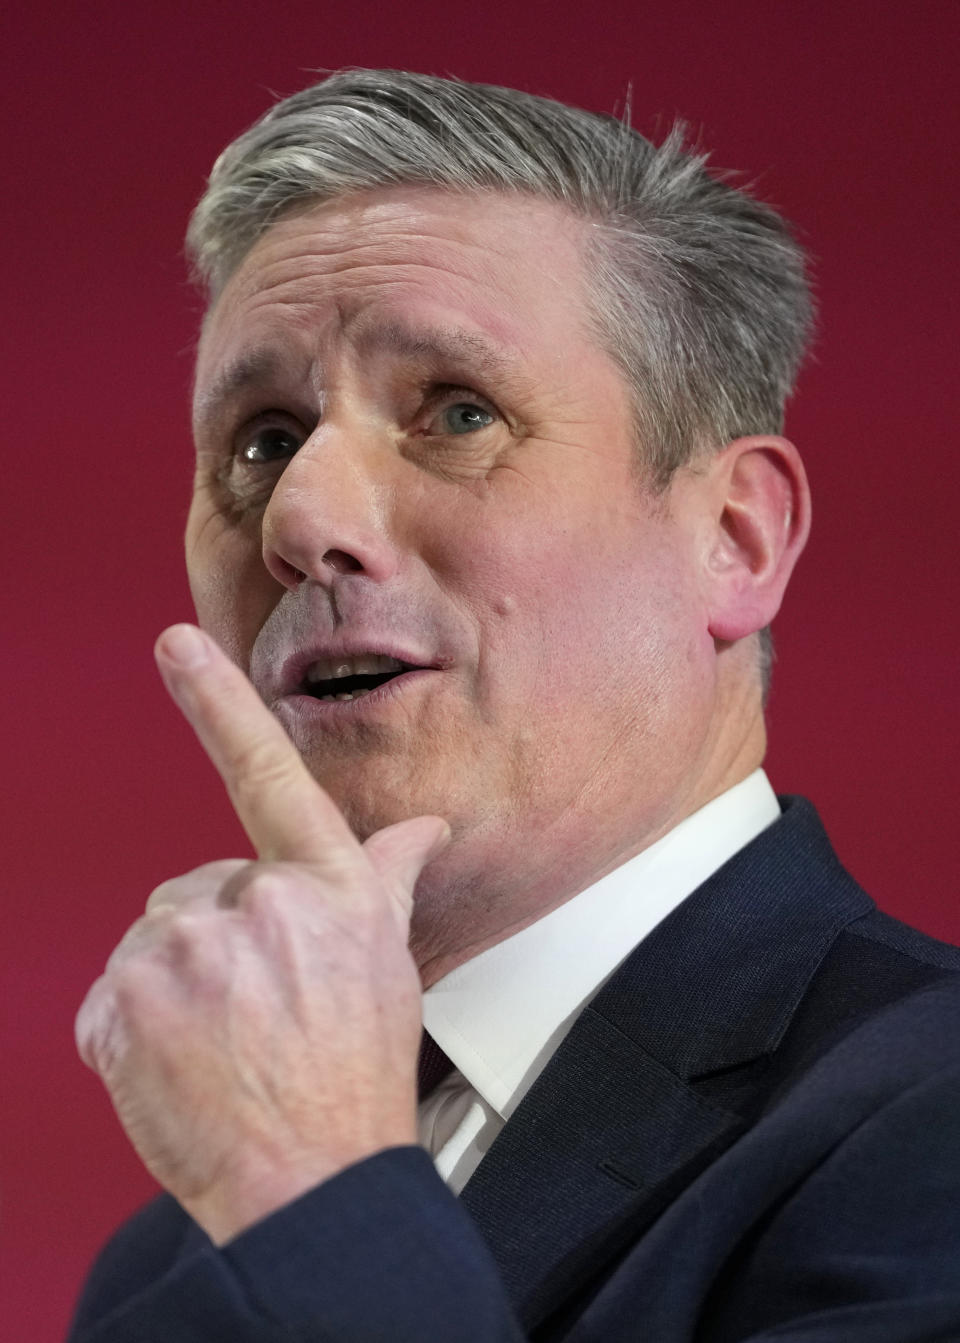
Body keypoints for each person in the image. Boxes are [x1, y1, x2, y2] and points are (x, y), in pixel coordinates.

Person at [69, 70, 960, 1342]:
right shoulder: (179, 1256)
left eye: (459, 412)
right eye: (263, 439)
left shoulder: (930, 1112)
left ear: (734, 536)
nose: (303, 522)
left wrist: (317, 1204)